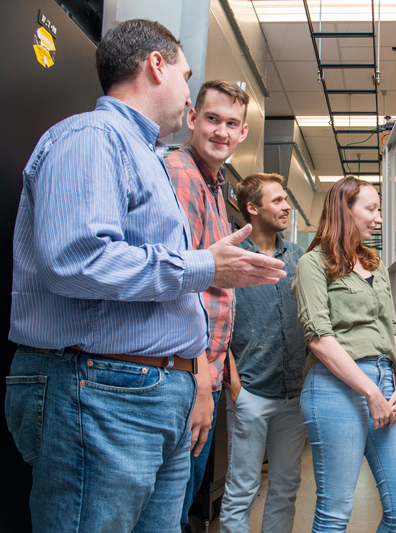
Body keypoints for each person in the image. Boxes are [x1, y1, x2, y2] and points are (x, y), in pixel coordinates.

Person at [5, 19, 285, 532]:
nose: (187, 92)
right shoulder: (91, 137)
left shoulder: (145, 157)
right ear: (157, 66)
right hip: (101, 392)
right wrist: (206, 266)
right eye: (186, 74)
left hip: (146, 393)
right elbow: (78, 260)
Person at [291, 176, 396, 532]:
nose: (377, 218)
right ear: (344, 210)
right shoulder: (312, 264)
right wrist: (370, 391)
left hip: (384, 383)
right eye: (371, 209)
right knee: (335, 511)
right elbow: (319, 339)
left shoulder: (374, 265)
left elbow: (392, 327)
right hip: (336, 388)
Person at [164, 79, 250, 531]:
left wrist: (222, 370)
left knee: (179, 506)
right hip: (184, 375)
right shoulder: (182, 173)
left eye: (230, 123)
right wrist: (199, 380)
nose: (220, 131)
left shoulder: (215, 186)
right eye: (212, 119)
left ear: (243, 133)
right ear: (192, 119)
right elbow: (179, 284)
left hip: (205, 373)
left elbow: (214, 288)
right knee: (170, 510)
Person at [219, 173, 307, 532]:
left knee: (285, 488)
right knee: (241, 491)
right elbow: (215, 322)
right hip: (250, 393)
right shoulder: (233, 259)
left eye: (285, 199)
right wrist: (234, 386)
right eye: (277, 201)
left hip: (293, 396)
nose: (286, 206)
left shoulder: (298, 258)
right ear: (252, 208)